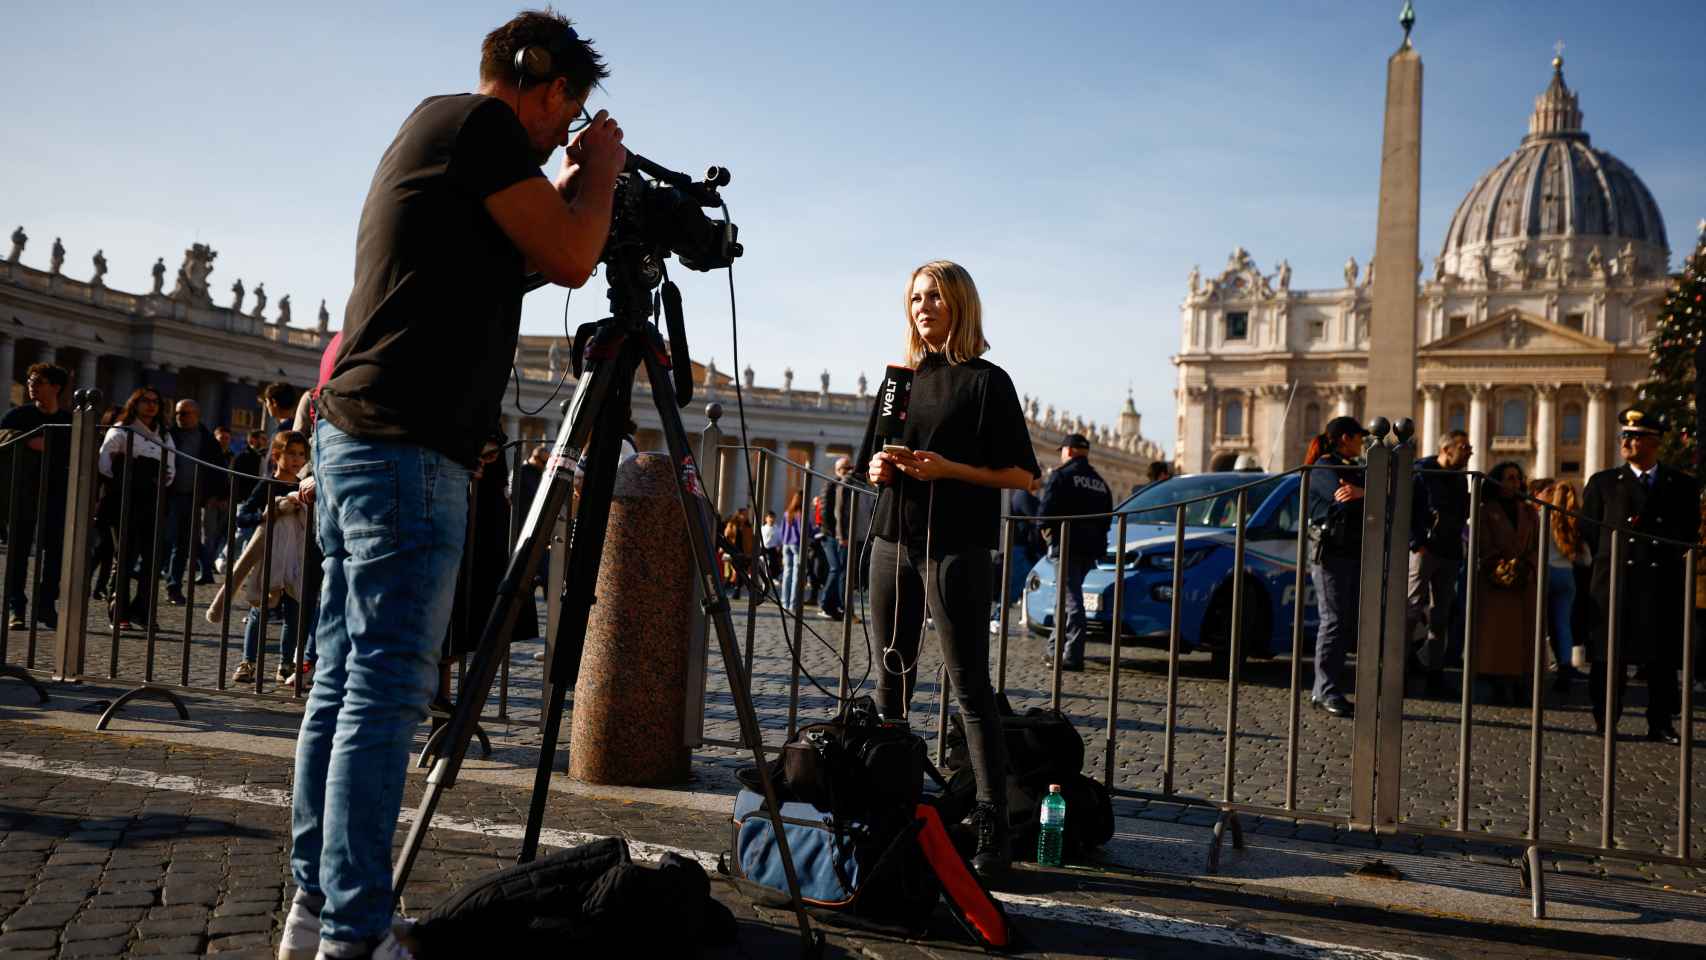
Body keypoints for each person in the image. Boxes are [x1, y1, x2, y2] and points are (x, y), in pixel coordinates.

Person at [283, 11, 623, 958]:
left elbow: (511, 255)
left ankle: (312, 911)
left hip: (359, 437)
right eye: (570, 109)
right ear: (540, 81)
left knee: (342, 688)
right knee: (385, 696)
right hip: (405, 451)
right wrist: (600, 175)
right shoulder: (479, 127)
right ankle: (353, 934)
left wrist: (560, 190)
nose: (568, 127)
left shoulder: (433, 128)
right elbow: (570, 256)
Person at [858, 259, 1040, 880]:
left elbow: (1022, 476)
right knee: (891, 680)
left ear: (959, 303)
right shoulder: (896, 380)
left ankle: (994, 826)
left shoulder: (988, 382)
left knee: (970, 688)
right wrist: (879, 471)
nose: (922, 306)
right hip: (890, 541)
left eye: (934, 296)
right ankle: (889, 811)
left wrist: (947, 469)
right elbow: (868, 461)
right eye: (914, 297)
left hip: (956, 546)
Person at [1580, 408, 1697, 744]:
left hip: (1660, 581)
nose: (1627, 442)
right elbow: (1589, 527)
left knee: (1662, 659)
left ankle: (1660, 722)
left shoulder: (1680, 484)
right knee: (1608, 657)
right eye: (1624, 437)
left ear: (1654, 442)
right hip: (1615, 580)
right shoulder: (1604, 483)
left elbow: (1688, 530)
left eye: (1635, 436)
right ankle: (1605, 720)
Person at [230, 431, 312, 686]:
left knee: (294, 612)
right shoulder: (266, 484)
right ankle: (248, 662)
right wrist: (265, 516)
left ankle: (286, 663)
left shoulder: (303, 487)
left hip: (296, 557)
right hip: (269, 556)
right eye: (291, 453)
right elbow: (243, 516)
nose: (297, 459)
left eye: (301, 454)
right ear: (277, 455)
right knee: (260, 609)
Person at [96, 387, 176, 629]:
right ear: (135, 403)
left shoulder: (164, 434)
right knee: (126, 557)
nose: (151, 406)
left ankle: (143, 611)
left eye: (155, 401)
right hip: (125, 498)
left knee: (152, 558)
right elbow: (105, 463)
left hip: (153, 498)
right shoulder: (121, 430)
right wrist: (129, 476)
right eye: (146, 401)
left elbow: (171, 467)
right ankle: (118, 611)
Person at [0, 363, 72, 630]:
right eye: (30, 381)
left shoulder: (69, 420)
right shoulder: (16, 416)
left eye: (39, 382)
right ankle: (15, 607)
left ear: (55, 387)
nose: (32, 386)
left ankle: (46, 605)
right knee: (18, 552)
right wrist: (24, 440)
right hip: (23, 490)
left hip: (58, 492)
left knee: (55, 553)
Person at [1304, 416, 1368, 718]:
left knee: (1343, 623)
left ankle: (1329, 687)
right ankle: (1324, 690)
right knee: (1333, 621)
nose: (1362, 442)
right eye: (1358, 436)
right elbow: (1342, 502)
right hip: (1331, 555)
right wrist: (1359, 495)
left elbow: (1379, 496)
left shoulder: (1352, 468)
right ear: (1345, 437)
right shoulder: (1326, 467)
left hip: (1350, 552)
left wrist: (1363, 493)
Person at [1038, 433, 1113, 670]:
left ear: (1068, 451)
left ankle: (1072, 654)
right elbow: (1107, 520)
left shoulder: (1061, 476)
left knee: (1071, 601)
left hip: (1067, 545)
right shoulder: (1100, 482)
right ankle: (1054, 649)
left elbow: (1044, 513)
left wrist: (1048, 535)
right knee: (1065, 597)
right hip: (1090, 550)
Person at [1408, 430, 1472, 696]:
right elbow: (1408, 508)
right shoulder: (1422, 472)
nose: (1470, 451)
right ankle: (1399, 668)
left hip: (1449, 551)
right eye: (1464, 447)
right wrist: (1417, 543)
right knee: (1411, 609)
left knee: (1441, 616)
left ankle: (1435, 672)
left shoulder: (1459, 479)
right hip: (1425, 550)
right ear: (1447, 449)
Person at [1471, 461, 1539, 705]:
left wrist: (1526, 565)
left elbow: (1536, 545)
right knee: (1497, 638)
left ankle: (1522, 684)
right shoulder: (1485, 510)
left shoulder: (1530, 511)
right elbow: (1482, 543)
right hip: (1495, 582)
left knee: (1524, 638)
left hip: (1524, 582)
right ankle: (1497, 683)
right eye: (1509, 477)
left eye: (1517, 478)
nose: (1514, 482)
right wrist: (1502, 565)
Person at [164, 399, 221, 604]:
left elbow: (216, 470)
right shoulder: (168, 435)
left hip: (193, 499)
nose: (181, 417)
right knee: (163, 540)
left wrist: (213, 496)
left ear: (197, 415)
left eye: (185, 413)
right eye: (178, 413)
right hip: (168, 497)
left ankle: (174, 586)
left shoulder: (207, 440)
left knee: (182, 545)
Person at [1541, 480, 1590, 694]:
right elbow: (1586, 559)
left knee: (1539, 624)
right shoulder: (1575, 521)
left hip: (1545, 572)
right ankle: (1565, 667)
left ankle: (1537, 665)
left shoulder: (1542, 516)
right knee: (1563, 624)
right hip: (1567, 574)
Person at [993, 474, 1045, 630]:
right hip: (1020, 548)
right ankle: (996, 617)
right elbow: (1039, 518)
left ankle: (1020, 616)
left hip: (1026, 548)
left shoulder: (1027, 497)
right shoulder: (1023, 496)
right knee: (1013, 585)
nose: (1040, 482)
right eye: (1038, 478)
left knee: (1024, 585)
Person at [818, 456, 855, 620]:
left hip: (839, 533)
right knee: (835, 569)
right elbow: (826, 510)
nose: (846, 471)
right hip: (830, 534)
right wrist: (833, 531)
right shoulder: (831, 484)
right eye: (843, 469)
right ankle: (825, 603)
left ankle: (833, 605)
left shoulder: (845, 485)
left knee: (839, 570)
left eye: (848, 468)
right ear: (836, 470)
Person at [777, 493, 803, 611]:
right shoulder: (801, 514)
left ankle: (784, 603)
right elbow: (804, 531)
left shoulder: (787, 513)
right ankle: (792, 604)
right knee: (795, 576)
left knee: (787, 574)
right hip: (796, 545)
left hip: (786, 545)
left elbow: (782, 531)